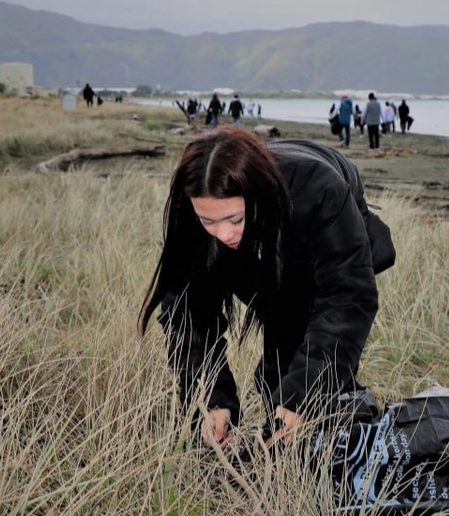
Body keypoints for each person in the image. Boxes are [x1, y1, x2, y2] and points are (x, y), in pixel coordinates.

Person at [139, 128, 394, 448]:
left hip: (318, 204)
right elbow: (187, 314)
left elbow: (348, 299)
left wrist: (302, 395)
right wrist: (211, 401)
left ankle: (334, 419)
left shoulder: (318, 191)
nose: (223, 234)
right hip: (268, 231)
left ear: (254, 196)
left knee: (300, 379)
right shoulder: (196, 209)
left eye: (234, 219)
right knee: (279, 367)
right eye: (209, 222)